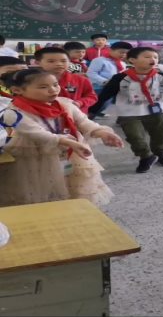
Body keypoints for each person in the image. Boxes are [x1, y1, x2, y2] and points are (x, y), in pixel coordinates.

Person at [0, 68, 124, 207]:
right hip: (36, 155)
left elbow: (83, 122)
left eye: (55, 84)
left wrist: (101, 132)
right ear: (17, 90)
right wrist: (65, 141)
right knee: (40, 189)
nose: (53, 90)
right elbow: (36, 133)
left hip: (71, 153)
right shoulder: (14, 112)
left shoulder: (64, 103)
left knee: (71, 184)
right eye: (43, 87)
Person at [34, 47, 98, 114]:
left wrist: (79, 103)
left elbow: (92, 97)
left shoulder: (81, 80)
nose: (59, 64)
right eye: (51, 61)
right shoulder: (32, 81)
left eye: (63, 61)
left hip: (75, 115)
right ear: (38, 62)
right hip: (43, 115)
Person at [86, 41, 133, 117]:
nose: (123, 55)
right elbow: (91, 73)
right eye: (121, 52)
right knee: (94, 106)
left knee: (103, 106)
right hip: (98, 88)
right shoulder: (99, 60)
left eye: (126, 53)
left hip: (112, 88)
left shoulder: (122, 64)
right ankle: (85, 119)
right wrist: (104, 81)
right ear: (111, 50)